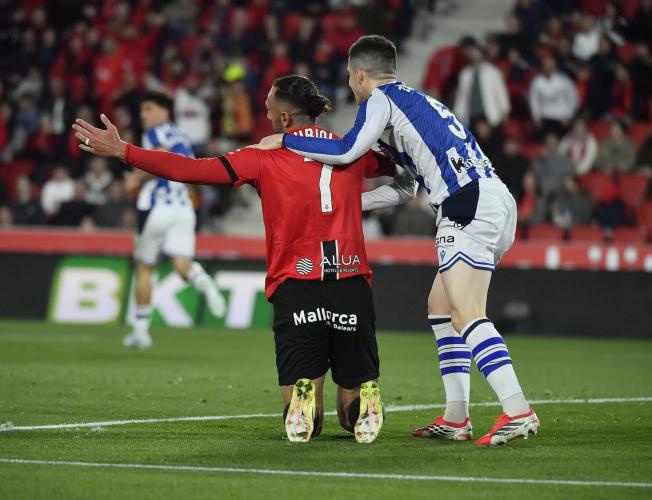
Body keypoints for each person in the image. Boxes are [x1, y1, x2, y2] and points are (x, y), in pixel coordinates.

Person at [250, 35, 539, 446]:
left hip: (466, 202)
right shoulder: (415, 104)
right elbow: (406, 187)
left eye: (350, 76)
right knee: (441, 309)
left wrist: (288, 139)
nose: (350, 84)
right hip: (491, 198)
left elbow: (347, 151)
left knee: (466, 313)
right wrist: (347, 206)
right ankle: (456, 417)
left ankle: (517, 409)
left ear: (360, 75)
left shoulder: (380, 100)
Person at [72, 75, 392, 445]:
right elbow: (396, 163)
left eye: (269, 111)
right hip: (350, 281)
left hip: (296, 284)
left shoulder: (261, 157)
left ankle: (303, 401)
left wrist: (124, 151)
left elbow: (191, 170)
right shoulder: (352, 150)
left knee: (309, 414)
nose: (266, 117)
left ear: (286, 118)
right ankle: (362, 399)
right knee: (352, 402)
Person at [123, 92, 225, 349]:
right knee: (182, 264)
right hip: (183, 207)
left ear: (164, 112)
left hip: (157, 206)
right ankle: (202, 280)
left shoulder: (156, 132)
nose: (143, 115)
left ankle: (141, 332)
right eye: (142, 110)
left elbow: (158, 155)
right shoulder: (181, 135)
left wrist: (136, 178)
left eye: (149, 109)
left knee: (145, 268)